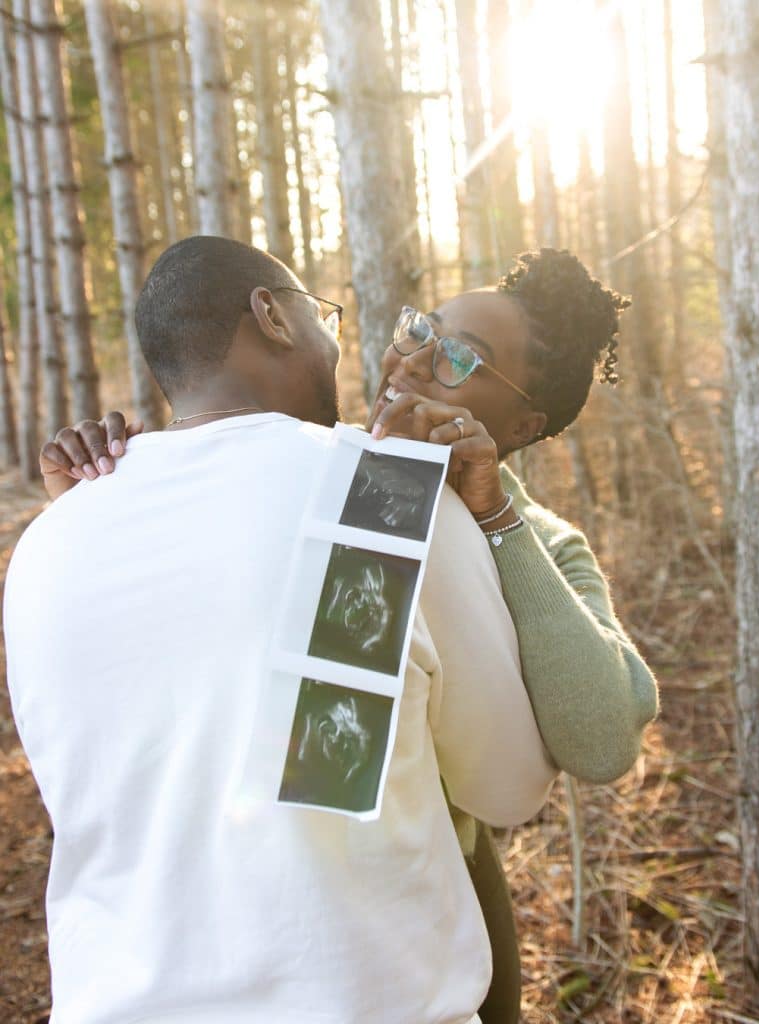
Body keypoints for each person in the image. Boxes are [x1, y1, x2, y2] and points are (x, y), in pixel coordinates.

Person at [38, 246, 659, 1024]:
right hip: (290, 919)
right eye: (421, 328)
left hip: (416, 903)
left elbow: (599, 740)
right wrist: (105, 505)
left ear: (524, 422)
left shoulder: (532, 541)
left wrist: (494, 518)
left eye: (461, 357)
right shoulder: (338, 486)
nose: (416, 357)